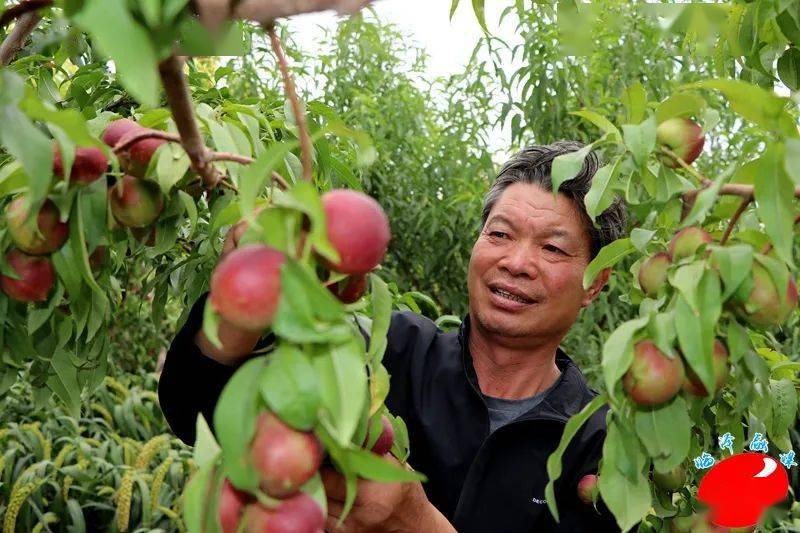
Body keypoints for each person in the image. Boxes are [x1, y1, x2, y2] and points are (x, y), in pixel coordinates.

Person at [158, 140, 628, 532]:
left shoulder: (601, 449)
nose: (517, 262)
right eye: (500, 234)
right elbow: (196, 409)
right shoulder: (381, 351)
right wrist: (242, 307)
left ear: (595, 282)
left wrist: (415, 523)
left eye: (551, 247)